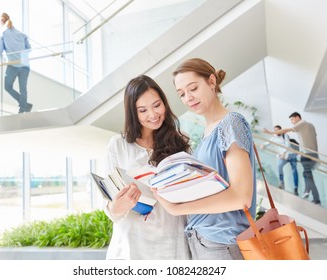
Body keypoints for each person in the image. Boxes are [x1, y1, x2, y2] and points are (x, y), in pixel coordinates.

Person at [152, 58, 256, 260]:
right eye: (181, 94)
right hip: (203, 241)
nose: (188, 98)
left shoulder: (230, 123)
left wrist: (178, 208)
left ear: (211, 82)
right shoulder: (206, 132)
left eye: (193, 88)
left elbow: (242, 197)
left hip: (222, 243)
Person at [104, 74, 191, 260]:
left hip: (172, 239)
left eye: (157, 105)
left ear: (164, 103)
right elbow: (111, 208)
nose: (153, 115)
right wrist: (118, 206)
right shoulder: (118, 145)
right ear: (133, 113)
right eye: (142, 110)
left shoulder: (180, 142)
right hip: (132, 243)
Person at [264, 112, 320, 204]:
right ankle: (314, 196)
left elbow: (286, 130)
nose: (292, 122)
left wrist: (271, 132)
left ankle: (309, 192)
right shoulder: (311, 125)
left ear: (297, 117)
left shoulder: (301, 124)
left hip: (306, 154)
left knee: (307, 174)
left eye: (292, 119)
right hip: (313, 154)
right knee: (307, 174)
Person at [0, 12, 32, 113]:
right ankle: (23, 107)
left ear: (2, 22)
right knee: (23, 89)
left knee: (7, 87)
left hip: (13, 64)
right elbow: (29, 49)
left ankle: (24, 105)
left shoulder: (2, 33)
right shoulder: (21, 34)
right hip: (25, 65)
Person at [261, 125, 299, 195]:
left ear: (281, 130)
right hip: (281, 156)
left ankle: (296, 188)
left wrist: (284, 153)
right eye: (275, 130)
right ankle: (281, 183)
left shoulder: (285, 135)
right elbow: (268, 143)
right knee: (279, 166)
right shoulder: (274, 137)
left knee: (294, 171)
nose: (276, 131)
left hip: (290, 155)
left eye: (278, 130)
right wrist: (263, 145)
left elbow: (288, 145)